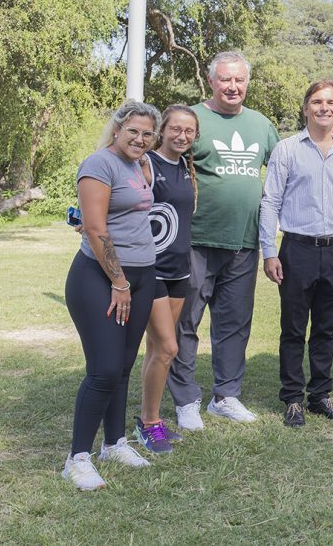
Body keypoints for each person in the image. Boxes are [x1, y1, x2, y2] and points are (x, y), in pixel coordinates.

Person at [167, 52, 279, 430]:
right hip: (195, 241)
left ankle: (226, 396)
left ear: (247, 82)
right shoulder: (193, 120)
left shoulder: (261, 125)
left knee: (234, 324)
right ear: (211, 82)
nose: (233, 87)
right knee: (185, 322)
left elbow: (283, 170)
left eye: (240, 80)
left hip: (244, 244)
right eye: (225, 80)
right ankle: (186, 400)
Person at [62, 101, 162, 491]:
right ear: (117, 129)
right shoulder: (98, 164)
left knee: (122, 365)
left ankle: (115, 442)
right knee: (103, 369)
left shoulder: (141, 165)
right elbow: (95, 229)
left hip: (142, 273)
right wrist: (119, 283)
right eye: (133, 130)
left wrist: (133, 280)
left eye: (146, 133)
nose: (139, 138)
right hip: (100, 278)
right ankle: (78, 458)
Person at [259, 79, 333, 427]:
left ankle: (320, 395)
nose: (324, 107)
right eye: (317, 102)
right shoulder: (287, 150)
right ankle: (292, 398)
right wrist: (269, 251)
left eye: (331, 102)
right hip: (297, 250)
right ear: (306, 108)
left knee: (326, 328)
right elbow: (271, 200)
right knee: (293, 328)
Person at [133, 105, 199, 453]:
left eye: (189, 131)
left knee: (157, 349)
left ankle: (149, 417)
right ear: (163, 130)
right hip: (151, 269)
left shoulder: (187, 167)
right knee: (169, 348)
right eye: (175, 129)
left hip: (180, 270)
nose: (182, 136)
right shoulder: (146, 163)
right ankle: (150, 423)